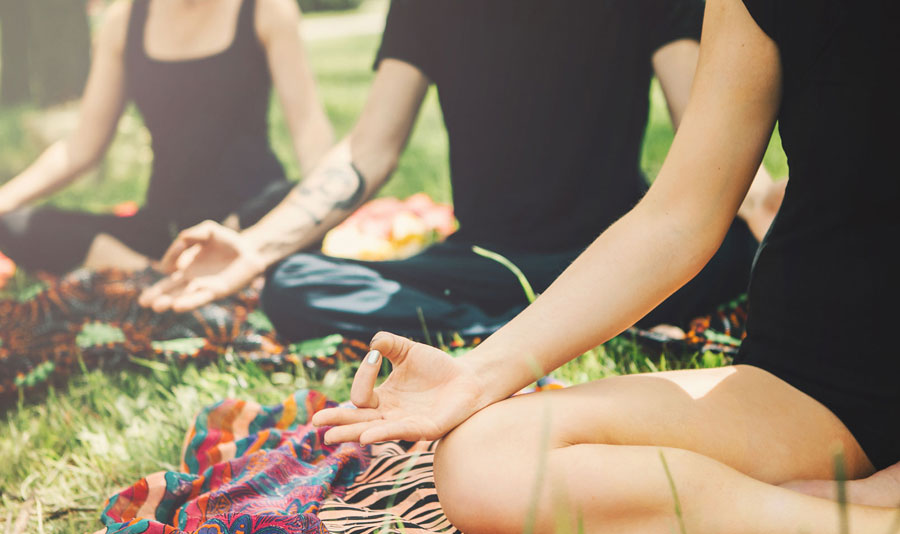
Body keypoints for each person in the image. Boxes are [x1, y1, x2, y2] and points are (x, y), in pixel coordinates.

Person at [312, 0, 900, 534]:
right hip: (820, 387)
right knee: (486, 461)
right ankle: (859, 527)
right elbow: (679, 217)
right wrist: (477, 373)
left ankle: (810, 515)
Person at [138, 0, 784, 342]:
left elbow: (704, 128)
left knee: (725, 250)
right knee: (294, 284)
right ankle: (547, 325)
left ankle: (537, 322)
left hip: (617, 257)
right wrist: (253, 248)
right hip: (482, 261)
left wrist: (762, 202)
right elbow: (370, 149)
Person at [0, 0, 332, 275]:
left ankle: (175, 270)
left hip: (250, 218)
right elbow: (80, 149)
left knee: (306, 200)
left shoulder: (265, 9)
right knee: (13, 225)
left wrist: (312, 207)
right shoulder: (123, 21)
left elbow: (309, 131)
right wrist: (6, 198)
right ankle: (155, 272)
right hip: (164, 227)